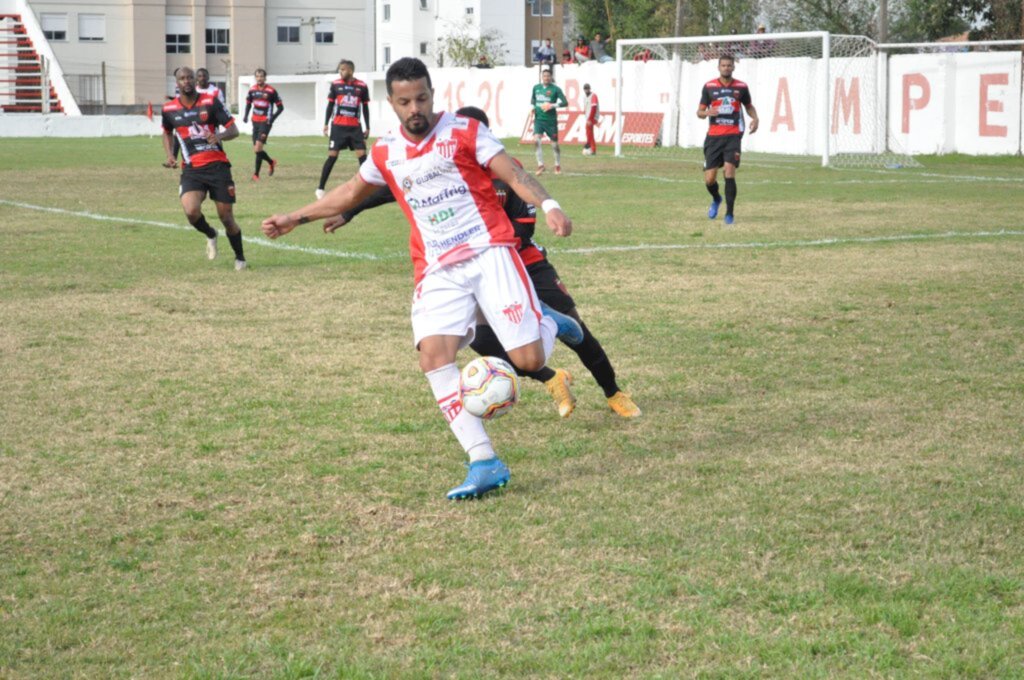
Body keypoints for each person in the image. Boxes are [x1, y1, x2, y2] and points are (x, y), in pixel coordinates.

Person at [261, 58, 585, 500]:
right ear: (391, 103)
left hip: (490, 252)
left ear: (433, 94)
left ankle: (551, 322)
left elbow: (514, 173)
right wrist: (295, 217)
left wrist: (549, 206)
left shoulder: (465, 132)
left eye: (422, 98)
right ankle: (484, 461)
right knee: (434, 359)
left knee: (528, 362)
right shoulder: (386, 150)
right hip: (437, 267)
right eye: (405, 101)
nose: (415, 108)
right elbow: (351, 192)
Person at [331, 106, 641, 420]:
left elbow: (523, 227)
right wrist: (348, 211)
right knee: (480, 338)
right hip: (480, 268)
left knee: (576, 329)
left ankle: (613, 392)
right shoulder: (444, 167)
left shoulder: (507, 171)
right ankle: (551, 377)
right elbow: (387, 189)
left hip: (523, 261)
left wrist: (483, 236)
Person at [161, 66, 247, 271]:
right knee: (191, 211)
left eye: (190, 77)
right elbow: (167, 132)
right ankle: (210, 234)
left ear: (195, 81)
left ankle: (240, 257)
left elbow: (233, 130)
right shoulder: (169, 109)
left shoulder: (210, 102)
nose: (187, 81)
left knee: (226, 217)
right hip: (192, 169)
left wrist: (218, 136)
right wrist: (170, 155)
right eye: (182, 78)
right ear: (177, 83)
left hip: (218, 167)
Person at [697, 54, 759, 226]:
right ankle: (717, 199)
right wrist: (706, 113)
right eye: (723, 65)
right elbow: (699, 112)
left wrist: (756, 118)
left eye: (729, 65)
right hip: (714, 138)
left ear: (733, 67)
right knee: (709, 179)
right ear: (719, 67)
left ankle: (730, 214)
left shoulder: (741, 87)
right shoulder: (709, 87)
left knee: (729, 171)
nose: (726, 68)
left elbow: (749, 107)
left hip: (732, 136)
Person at [316, 60, 370, 199]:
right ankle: (320, 189)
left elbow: (365, 108)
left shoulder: (362, 86)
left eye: (343, 69)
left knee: (363, 158)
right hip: (338, 127)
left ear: (350, 71)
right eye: (340, 70)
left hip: (355, 128)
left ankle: (369, 189)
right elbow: (330, 105)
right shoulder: (335, 85)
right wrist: (326, 124)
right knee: (332, 157)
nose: (340, 72)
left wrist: (368, 126)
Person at [242, 68, 283, 181]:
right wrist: (245, 116)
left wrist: (272, 118)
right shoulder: (252, 90)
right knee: (257, 150)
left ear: (265, 78)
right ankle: (270, 162)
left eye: (261, 76)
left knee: (258, 148)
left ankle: (256, 174)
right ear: (255, 78)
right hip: (255, 122)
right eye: (257, 76)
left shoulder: (271, 91)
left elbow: (280, 108)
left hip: (265, 122)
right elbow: (248, 104)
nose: (259, 78)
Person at [530, 68, 568, 175]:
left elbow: (565, 103)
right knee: (536, 140)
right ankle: (540, 165)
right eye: (544, 76)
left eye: (548, 76)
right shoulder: (536, 88)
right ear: (542, 77)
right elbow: (533, 100)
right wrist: (532, 108)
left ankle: (557, 165)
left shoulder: (555, 89)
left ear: (551, 77)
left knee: (554, 145)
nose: (546, 78)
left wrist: (552, 105)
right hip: (539, 120)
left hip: (551, 121)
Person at [581, 83, 600, 155]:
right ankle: (591, 147)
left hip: (593, 116)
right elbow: (586, 107)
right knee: (589, 131)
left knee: (588, 130)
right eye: (585, 88)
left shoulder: (593, 96)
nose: (586, 90)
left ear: (590, 88)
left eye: (587, 88)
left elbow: (594, 108)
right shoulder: (584, 97)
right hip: (588, 117)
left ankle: (589, 145)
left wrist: (590, 119)